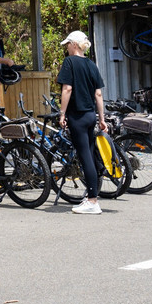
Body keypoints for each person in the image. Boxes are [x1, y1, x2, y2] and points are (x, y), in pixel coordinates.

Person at [56, 29, 108, 215]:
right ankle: (92, 197)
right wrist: (101, 119)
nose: (67, 48)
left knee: (85, 156)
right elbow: (98, 94)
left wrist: (62, 113)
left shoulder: (69, 62)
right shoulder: (91, 64)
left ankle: (93, 200)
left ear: (75, 45)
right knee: (90, 156)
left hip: (77, 116)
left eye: (68, 44)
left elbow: (67, 89)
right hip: (90, 115)